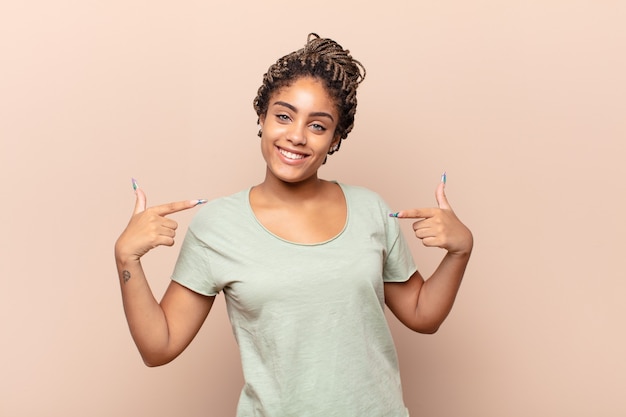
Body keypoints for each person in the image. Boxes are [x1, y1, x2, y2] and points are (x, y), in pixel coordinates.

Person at [115, 33, 473, 417]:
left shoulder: (370, 209)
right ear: (262, 117)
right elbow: (159, 347)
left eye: (318, 126)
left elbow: (422, 315)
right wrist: (127, 260)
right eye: (283, 116)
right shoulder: (217, 226)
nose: (297, 136)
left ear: (336, 138)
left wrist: (460, 251)